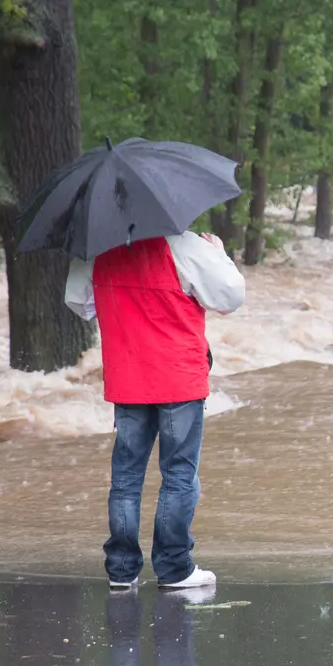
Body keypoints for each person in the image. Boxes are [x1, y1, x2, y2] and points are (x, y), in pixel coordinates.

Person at [65, 231, 244, 591]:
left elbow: (78, 303)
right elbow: (230, 295)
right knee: (179, 473)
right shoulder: (187, 245)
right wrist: (220, 254)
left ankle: (121, 569)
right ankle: (175, 568)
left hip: (127, 375)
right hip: (178, 377)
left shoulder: (95, 250)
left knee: (127, 476)